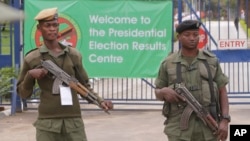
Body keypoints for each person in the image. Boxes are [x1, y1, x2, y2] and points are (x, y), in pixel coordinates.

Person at [16, 7, 113, 141]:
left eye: (55, 25)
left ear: (58, 27)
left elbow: (84, 85)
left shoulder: (73, 55)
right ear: (39, 28)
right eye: (47, 25)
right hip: (47, 123)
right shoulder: (33, 58)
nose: (52, 29)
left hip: (73, 122)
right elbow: (23, 94)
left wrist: (100, 101)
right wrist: (30, 75)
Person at [154, 20, 230, 141]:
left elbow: (222, 91)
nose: (192, 38)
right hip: (178, 130)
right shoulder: (168, 63)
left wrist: (225, 120)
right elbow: (157, 91)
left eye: (195, 34)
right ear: (179, 37)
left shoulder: (211, 61)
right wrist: (163, 92)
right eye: (187, 35)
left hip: (208, 129)